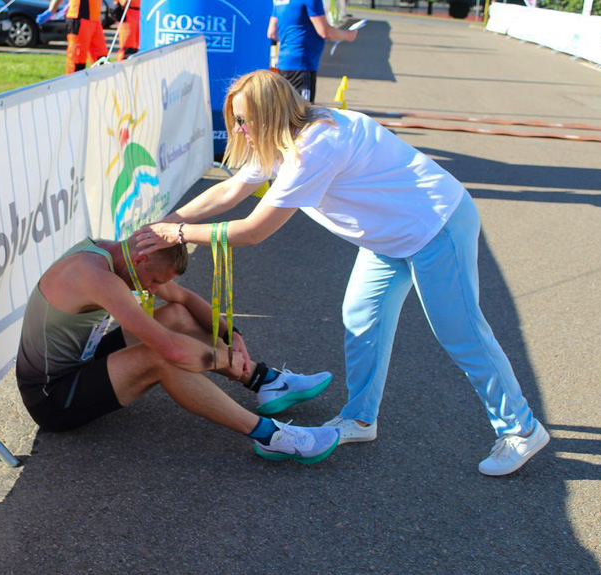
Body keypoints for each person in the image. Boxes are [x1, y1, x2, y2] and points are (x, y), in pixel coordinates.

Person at [134, 70, 550, 477]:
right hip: (388, 238)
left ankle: (521, 429)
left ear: (271, 114)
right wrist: (162, 225)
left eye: (244, 120)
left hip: (435, 226)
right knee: (361, 320)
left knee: (461, 334)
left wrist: (181, 232)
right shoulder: (281, 138)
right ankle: (360, 420)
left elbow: (254, 230)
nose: (239, 130)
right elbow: (229, 190)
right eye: (236, 120)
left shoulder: (318, 145)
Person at [15, 235, 339, 464]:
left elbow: (182, 300)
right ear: (141, 259)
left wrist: (233, 336)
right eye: (154, 281)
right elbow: (170, 350)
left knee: (176, 315)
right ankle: (270, 437)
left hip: (82, 360)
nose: (154, 289)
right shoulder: (95, 277)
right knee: (159, 358)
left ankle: (264, 381)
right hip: (51, 397)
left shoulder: (118, 253)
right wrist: (224, 359)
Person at [268, 0, 357, 103]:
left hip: (285, 62)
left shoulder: (280, 1)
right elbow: (325, 32)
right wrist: (348, 35)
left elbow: (272, 33)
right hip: (302, 64)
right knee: (304, 112)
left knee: (288, 109)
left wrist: (292, 39)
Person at [38, 0, 107, 74]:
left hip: (95, 19)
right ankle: (72, 83)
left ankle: (99, 82)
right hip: (80, 18)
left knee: (101, 57)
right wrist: (51, 10)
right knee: (77, 59)